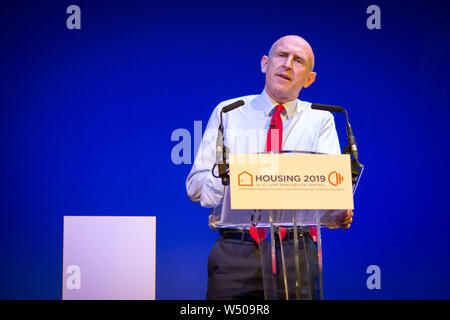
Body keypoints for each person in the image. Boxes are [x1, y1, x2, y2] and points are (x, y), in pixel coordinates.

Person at [186, 35, 353, 300]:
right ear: (265, 63)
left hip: (296, 252)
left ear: (309, 78)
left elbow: (328, 196)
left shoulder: (320, 120)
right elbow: (195, 187)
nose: (287, 64)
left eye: (298, 61)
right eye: (281, 55)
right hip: (235, 251)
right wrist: (228, 175)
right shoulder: (228, 112)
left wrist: (336, 213)